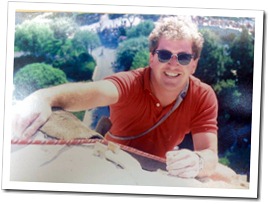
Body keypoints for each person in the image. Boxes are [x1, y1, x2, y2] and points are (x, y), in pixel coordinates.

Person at [12, 16, 218, 179]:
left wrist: (198, 161)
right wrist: (44, 96)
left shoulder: (203, 96)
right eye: (164, 55)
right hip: (111, 160)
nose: (173, 64)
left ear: (194, 64)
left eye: (183, 57)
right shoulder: (131, 82)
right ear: (152, 58)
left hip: (157, 170)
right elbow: (95, 91)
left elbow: (210, 154)